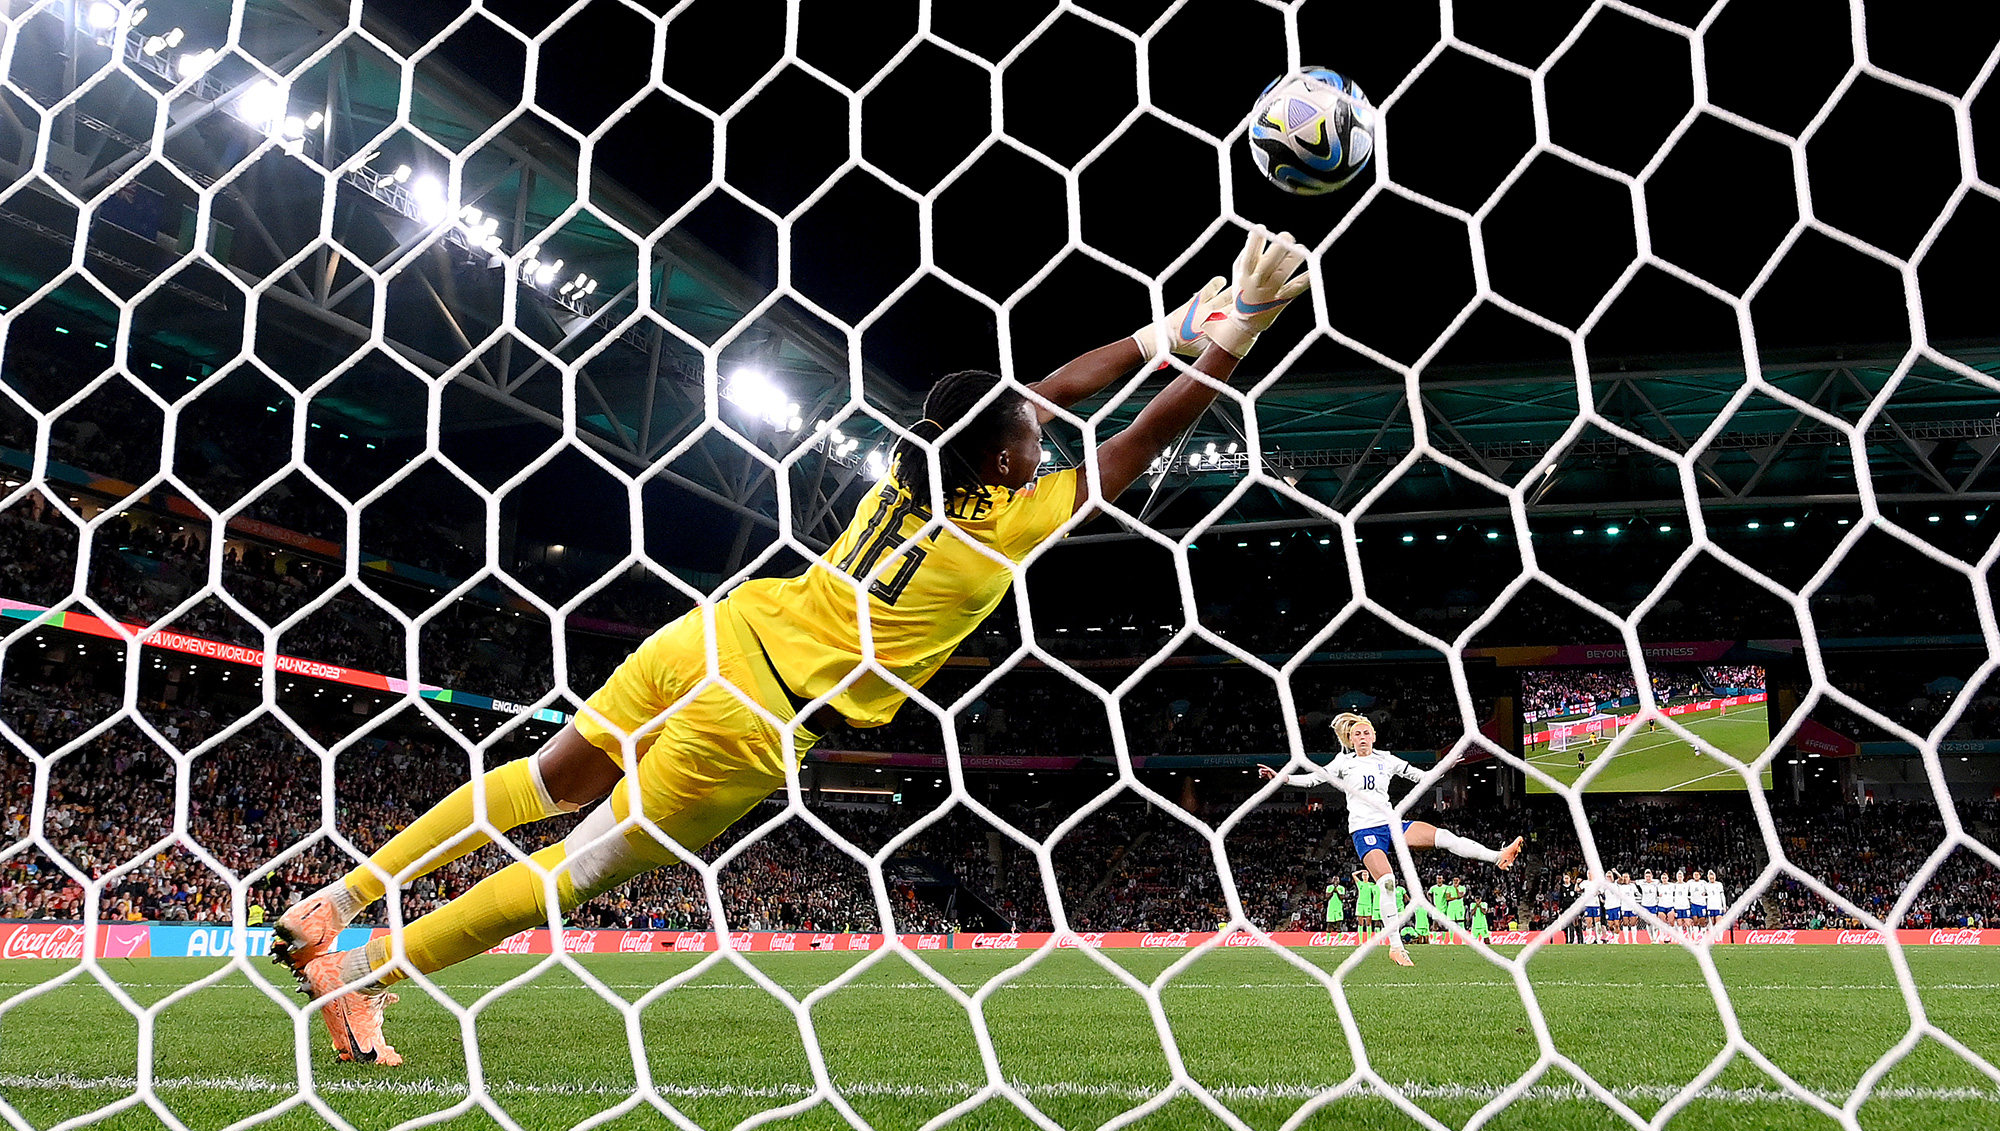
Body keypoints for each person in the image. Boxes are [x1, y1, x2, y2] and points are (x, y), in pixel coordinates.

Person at [271, 227, 1317, 1064]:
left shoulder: (913, 468)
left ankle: (339, 898)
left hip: (716, 633)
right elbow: (1142, 434)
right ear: (999, 463)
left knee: (544, 779)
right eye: (1027, 441)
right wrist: (1238, 335)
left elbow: (1055, 389)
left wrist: (1176, 322)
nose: (1041, 436)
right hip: (759, 723)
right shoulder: (1002, 534)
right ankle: (361, 980)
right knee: (572, 866)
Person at [1257, 713, 1521, 967]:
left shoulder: (1386, 759)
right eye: (1355, 734)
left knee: (1443, 836)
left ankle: (1497, 856)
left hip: (1393, 823)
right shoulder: (1342, 762)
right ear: (1350, 739)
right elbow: (1314, 780)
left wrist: (1445, 766)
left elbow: (1422, 778)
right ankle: (1396, 947)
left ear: (1374, 735)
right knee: (1387, 883)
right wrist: (1282, 778)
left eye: (1365, 732)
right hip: (1364, 830)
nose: (1361, 737)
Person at [1353, 867, 1377, 938]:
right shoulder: (1360, 883)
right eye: (1364, 875)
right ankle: (1360, 940)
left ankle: (1369, 939)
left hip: (1368, 904)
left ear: (1369, 876)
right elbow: (1353, 874)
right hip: (1360, 904)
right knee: (1360, 923)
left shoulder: (1372, 885)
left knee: (1368, 923)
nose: (1365, 876)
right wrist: (1361, 871)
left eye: (1366, 875)